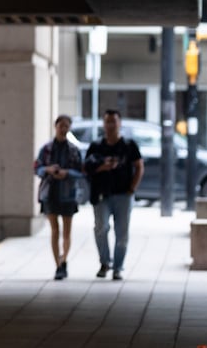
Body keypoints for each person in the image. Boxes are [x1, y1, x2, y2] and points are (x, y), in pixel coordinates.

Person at [83, 109, 143, 281]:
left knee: (122, 233)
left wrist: (132, 188)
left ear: (119, 123)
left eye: (113, 121)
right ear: (103, 124)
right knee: (100, 228)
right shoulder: (96, 146)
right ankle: (104, 262)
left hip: (123, 195)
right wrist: (103, 167)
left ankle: (118, 267)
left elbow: (139, 166)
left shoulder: (128, 145)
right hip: (101, 194)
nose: (110, 125)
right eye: (107, 121)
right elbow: (86, 168)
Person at [34, 115, 85, 280]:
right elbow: (37, 168)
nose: (63, 129)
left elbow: (81, 172)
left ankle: (64, 260)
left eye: (66, 126)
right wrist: (48, 170)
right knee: (54, 230)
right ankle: (58, 265)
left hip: (68, 193)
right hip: (50, 193)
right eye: (60, 126)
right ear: (55, 126)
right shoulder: (46, 149)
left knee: (67, 231)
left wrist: (66, 173)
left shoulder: (73, 150)